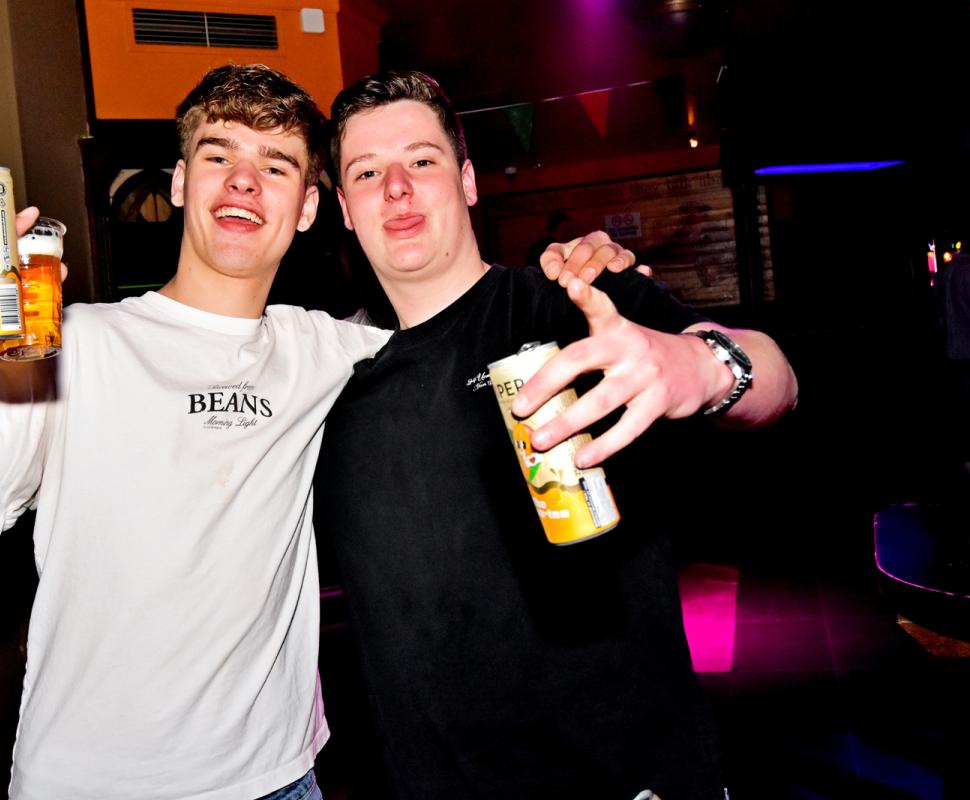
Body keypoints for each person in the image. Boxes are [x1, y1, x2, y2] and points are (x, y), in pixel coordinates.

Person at [0, 64, 632, 799]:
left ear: (309, 209)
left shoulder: (331, 350)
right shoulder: (69, 349)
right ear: (178, 182)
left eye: (275, 166)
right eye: (218, 156)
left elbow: (462, 325)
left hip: (280, 781)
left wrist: (580, 271)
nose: (243, 181)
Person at [314, 71, 799, 798]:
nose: (397, 189)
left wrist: (700, 367)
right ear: (345, 211)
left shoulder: (571, 301)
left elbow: (777, 381)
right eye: (366, 172)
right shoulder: (329, 378)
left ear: (468, 181)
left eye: (421, 160)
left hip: (630, 781)